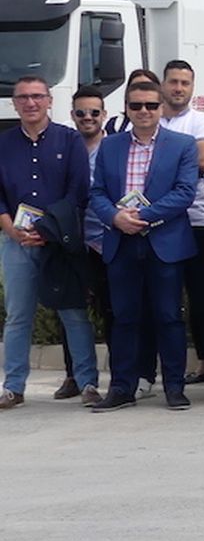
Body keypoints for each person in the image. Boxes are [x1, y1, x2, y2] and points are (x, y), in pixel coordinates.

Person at [88, 79, 199, 412]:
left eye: (151, 105)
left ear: (161, 107)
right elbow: (96, 193)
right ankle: (122, 387)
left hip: (164, 241)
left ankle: (175, 388)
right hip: (121, 241)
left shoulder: (183, 144)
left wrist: (144, 216)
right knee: (123, 318)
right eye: (136, 106)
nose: (144, 111)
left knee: (168, 317)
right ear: (126, 108)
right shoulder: (110, 146)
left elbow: (184, 192)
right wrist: (115, 218)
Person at [1, 76, 97, 410]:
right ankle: (13, 387)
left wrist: (49, 231)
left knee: (73, 312)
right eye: (23, 97)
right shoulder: (3, 143)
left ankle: (88, 383)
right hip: (17, 242)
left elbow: (78, 192)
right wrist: (12, 230)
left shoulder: (70, 141)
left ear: (50, 101)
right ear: (14, 103)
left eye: (37, 96)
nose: (30, 103)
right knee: (18, 316)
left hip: (59, 241)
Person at [157, 60, 204, 387]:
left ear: (192, 87)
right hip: (155, 224)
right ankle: (166, 371)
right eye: (173, 81)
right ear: (163, 85)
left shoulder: (203, 121)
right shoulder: (146, 120)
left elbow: (203, 160)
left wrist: (157, 174)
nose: (179, 88)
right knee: (164, 303)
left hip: (196, 220)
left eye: (185, 82)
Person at [55, 86, 112, 404]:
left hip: (108, 242)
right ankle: (74, 376)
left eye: (94, 112)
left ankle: (120, 375)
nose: (87, 118)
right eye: (81, 112)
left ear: (104, 114)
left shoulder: (115, 148)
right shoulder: (65, 148)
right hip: (72, 243)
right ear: (72, 115)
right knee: (71, 310)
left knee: (112, 311)